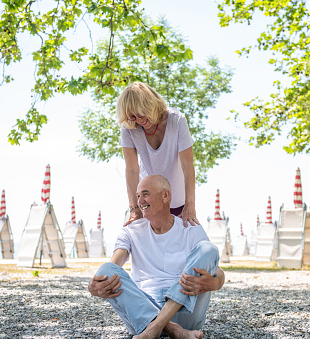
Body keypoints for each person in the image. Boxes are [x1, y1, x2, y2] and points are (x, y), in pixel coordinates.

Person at [88, 175, 225, 338]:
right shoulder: (131, 230)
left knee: (208, 249)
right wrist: (94, 287)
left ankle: (157, 327)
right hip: (143, 312)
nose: (140, 201)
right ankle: (173, 330)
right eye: (138, 196)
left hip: (186, 312)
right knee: (105, 269)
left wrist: (215, 283)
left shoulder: (190, 228)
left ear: (165, 196)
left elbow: (217, 270)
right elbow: (114, 265)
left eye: (145, 194)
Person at [117, 82, 199, 227]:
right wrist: (134, 209)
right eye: (133, 117)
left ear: (149, 104)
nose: (139, 121)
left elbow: (188, 166)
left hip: (178, 202)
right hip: (148, 203)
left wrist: (190, 206)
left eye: (141, 114)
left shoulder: (177, 120)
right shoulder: (129, 128)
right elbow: (131, 170)